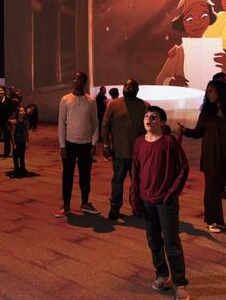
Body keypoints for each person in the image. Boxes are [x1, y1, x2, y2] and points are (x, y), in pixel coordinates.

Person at [179, 80, 226, 237]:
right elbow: (199, 132)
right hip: (212, 157)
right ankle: (213, 221)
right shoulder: (207, 112)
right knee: (212, 189)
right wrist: (185, 131)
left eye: (211, 91)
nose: (208, 94)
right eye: (207, 92)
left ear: (221, 91)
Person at [130, 106, 189, 296]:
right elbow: (135, 170)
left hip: (166, 201)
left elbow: (183, 167)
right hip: (146, 200)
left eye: (154, 117)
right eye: (146, 116)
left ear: (162, 122)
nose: (148, 120)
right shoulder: (139, 142)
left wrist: (172, 193)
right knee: (153, 241)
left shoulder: (169, 142)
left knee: (171, 242)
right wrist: (135, 196)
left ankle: (180, 283)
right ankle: (162, 274)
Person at [156, 0, 226, 92]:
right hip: (187, 100)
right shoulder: (179, 52)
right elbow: (160, 79)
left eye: (203, 16)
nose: (197, 23)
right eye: (190, 19)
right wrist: (171, 82)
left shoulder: (216, 50)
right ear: (182, 22)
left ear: (210, 17)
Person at [102, 78, 150, 220]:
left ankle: (137, 207)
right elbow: (105, 125)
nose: (128, 88)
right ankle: (115, 207)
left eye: (132, 86)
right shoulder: (113, 105)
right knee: (118, 180)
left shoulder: (145, 106)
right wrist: (105, 145)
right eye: (126, 85)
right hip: (119, 152)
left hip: (139, 154)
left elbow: (150, 128)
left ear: (138, 89)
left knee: (138, 182)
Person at [55, 71, 100, 218]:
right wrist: (62, 146)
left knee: (85, 176)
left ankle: (85, 203)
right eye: (73, 78)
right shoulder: (65, 100)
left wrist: (94, 143)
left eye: (78, 79)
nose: (75, 81)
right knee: (67, 175)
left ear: (84, 82)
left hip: (86, 145)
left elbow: (95, 123)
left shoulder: (91, 101)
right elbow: (61, 124)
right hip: (70, 144)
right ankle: (66, 205)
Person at [10, 106, 30, 178]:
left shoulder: (26, 122)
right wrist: (14, 144)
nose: (23, 112)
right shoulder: (15, 122)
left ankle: (22, 169)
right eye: (21, 111)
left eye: (23, 111)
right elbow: (12, 134)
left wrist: (27, 141)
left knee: (22, 156)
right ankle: (16, 170)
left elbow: (26, 132)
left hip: (23, 141)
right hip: (17, 142)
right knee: (16, 157)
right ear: (18, 113)